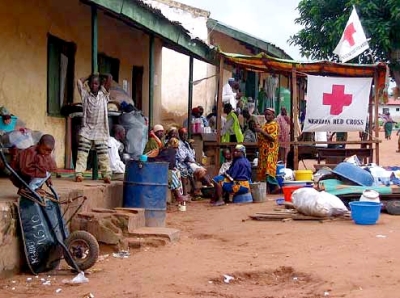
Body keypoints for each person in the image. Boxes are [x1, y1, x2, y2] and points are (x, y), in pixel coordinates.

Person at [75, 73, 112, 184]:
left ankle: (106, 175)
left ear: (100, 85)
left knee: (103, 155)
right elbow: (79, 81)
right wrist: (89, 76)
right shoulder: (85, 95)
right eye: (91, 83)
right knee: (82, 153)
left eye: (96, 83)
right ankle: (79, 174)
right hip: (87, 130)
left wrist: (100, 75)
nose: (93, 86)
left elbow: (109, 77)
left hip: (100, 130)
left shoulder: (104, 95)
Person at [149, 137, 188, 203]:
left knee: (176, 173)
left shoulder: (165, 149)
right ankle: (178, 196)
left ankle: (179, 195)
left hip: (157, 168)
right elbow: (170, 164)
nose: (177, 149)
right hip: (159, 169)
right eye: (177, 147)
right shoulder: (171, 151)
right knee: (172, 174)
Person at [255, 108, 279, 193]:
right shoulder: (265, 125)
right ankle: (268, 188)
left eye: (269, 114)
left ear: (273, 115)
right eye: (265, 114)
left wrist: (261, 131)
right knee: (263, 170)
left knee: (269, 170)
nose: (267, 116)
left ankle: (276, 186)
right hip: (263, 152)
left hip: (270, 152)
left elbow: (272, 138)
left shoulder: (274, 125)